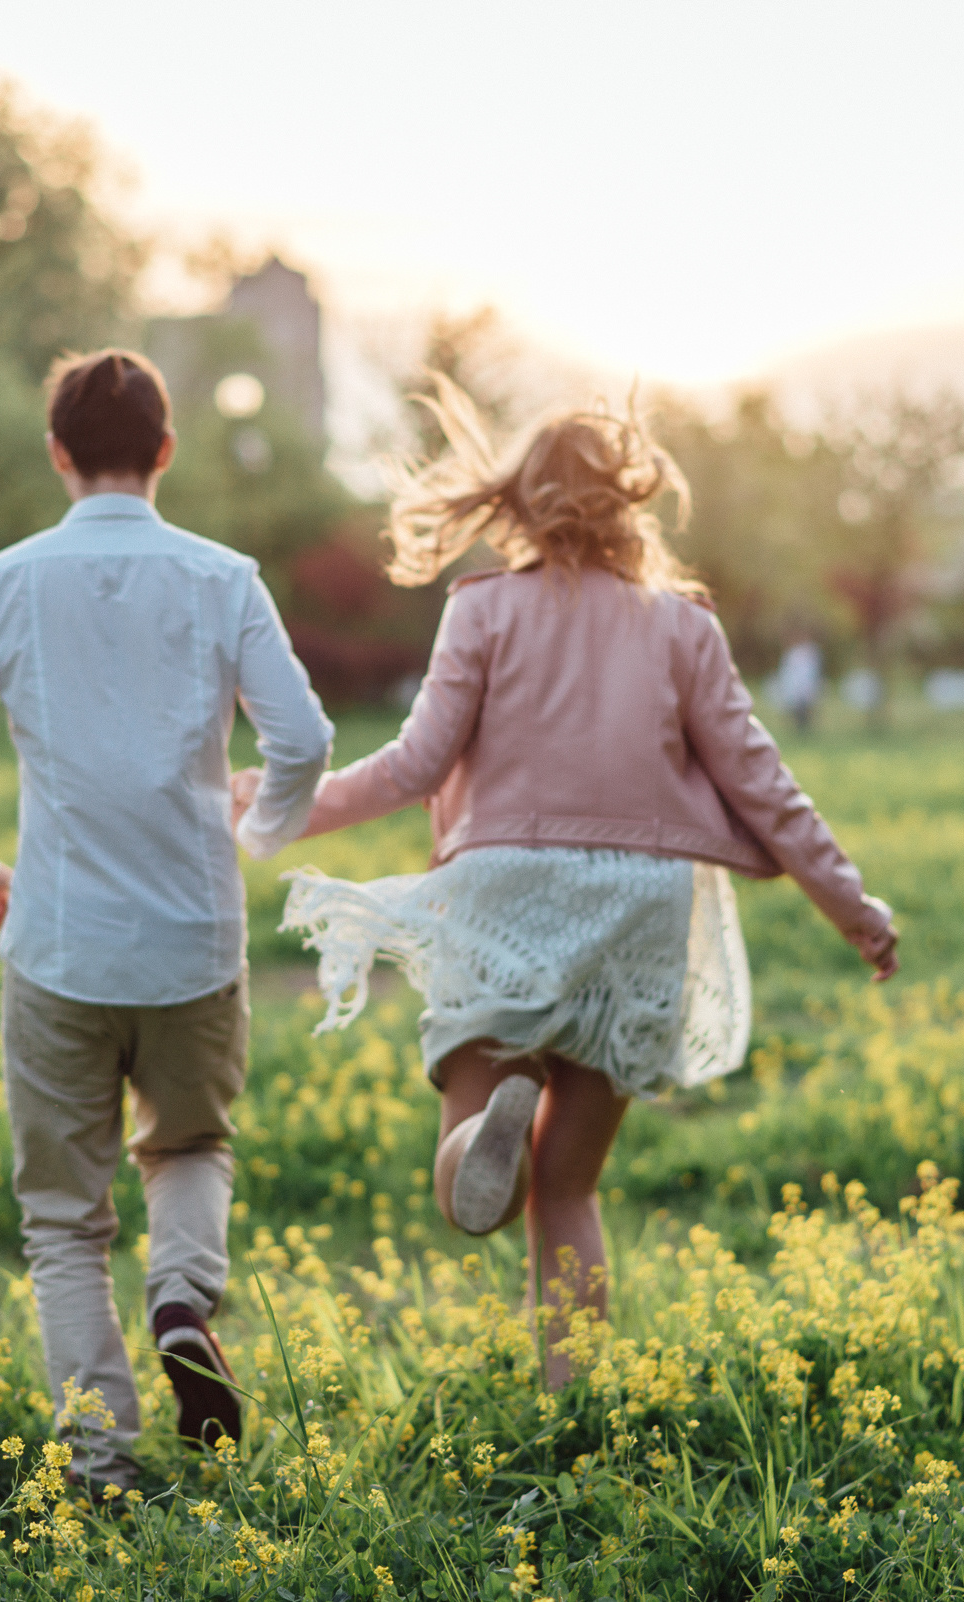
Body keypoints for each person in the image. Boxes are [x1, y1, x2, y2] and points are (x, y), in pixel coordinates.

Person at [235, 381, 897, 1387]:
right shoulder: (684, 629)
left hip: (504, 892)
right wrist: (854, 908)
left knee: (477, 1159)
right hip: (639, 905)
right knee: (569, 1185)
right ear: (630, 507)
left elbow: (413, 765)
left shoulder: (483, 612)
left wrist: (282, 807)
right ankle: (573, 1401)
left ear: (518, 503)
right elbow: (763, 782)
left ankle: (482, 1136)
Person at [0, 349, 332, 1487]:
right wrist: (259, 833)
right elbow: (306, 740)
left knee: (62, 1219)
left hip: (58, 946)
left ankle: (101, 1459)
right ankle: (183, 1301)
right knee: (189, 1143)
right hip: (194, 942)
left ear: (58, 453)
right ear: (167, 452)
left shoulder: (3, 583)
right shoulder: (224, 577)